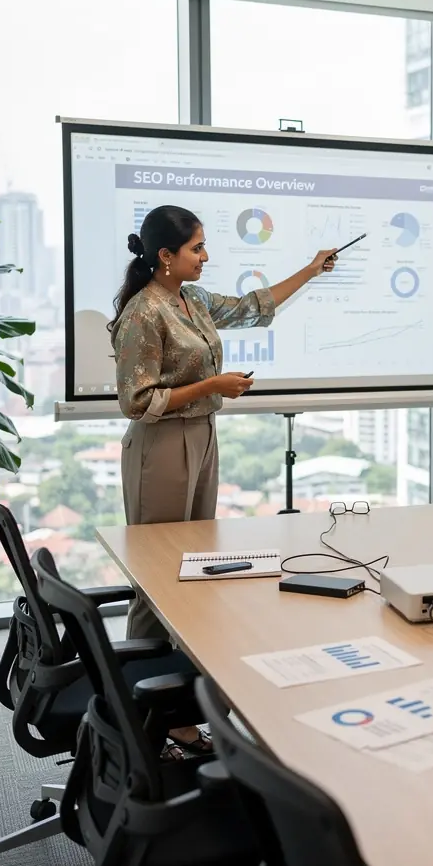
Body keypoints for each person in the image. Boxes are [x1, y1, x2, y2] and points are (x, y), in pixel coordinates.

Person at [110, 204, 337, 645]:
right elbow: (137, 402)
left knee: (195, 559)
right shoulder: (144, 312)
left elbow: (253, 307)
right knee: (160, 569)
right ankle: (140, 693)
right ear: (165, 256)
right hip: (160, 444)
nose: (205, 257)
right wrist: (212, 384)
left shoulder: (192, 299)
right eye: (197, 248)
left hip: (201, 434)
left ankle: (180, 682)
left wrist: (310, 270)